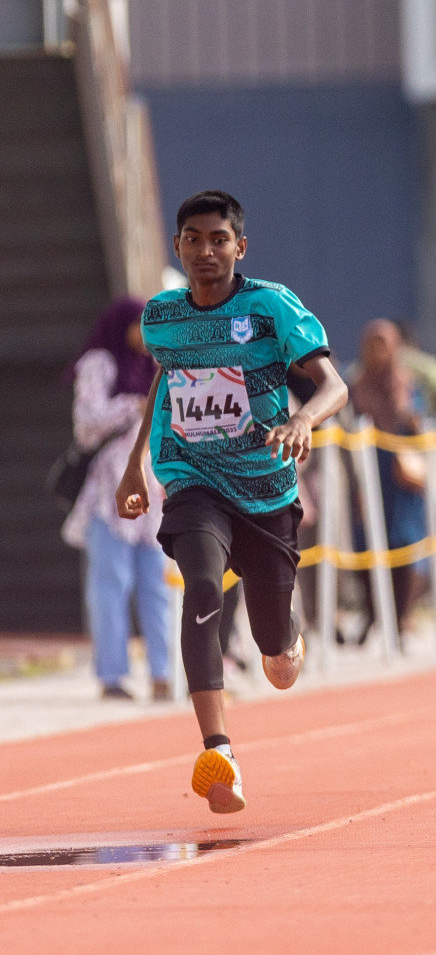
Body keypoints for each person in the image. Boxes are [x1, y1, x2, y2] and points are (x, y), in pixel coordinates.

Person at [116, 190, 348, 814]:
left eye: (218, 239)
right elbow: (166, 381)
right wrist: (136, 464)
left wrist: (303, 420)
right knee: (203, 586)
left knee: (276, 663)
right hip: (192, 477)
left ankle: (285, 636)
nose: (206, 250)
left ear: (239, 247)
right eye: (193, 239)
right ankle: (217, 749)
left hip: (266, 487)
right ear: (178, 247)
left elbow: (334, 384)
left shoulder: (271, 306)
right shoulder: (162, 316)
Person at [63, 297, 175, 702]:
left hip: (152, 495)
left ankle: (164, 672)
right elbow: (85, 423)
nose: (145, 336)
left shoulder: (155, 366)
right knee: (110, 584)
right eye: (140, 326)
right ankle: (111, 676)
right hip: (107, 493)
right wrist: (134, 407)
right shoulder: (99, 363)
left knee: (157, 584)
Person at [347, 319, 430, 646]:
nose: (376, 352)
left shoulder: (408, 384)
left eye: (383, 343)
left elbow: (421, 422)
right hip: (368, 475)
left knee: (404, 543)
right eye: (371, 344)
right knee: (365, 541)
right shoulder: (354, 385)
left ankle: (399, 617)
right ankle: (371, 612)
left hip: (401, 477)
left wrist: (411, 418)